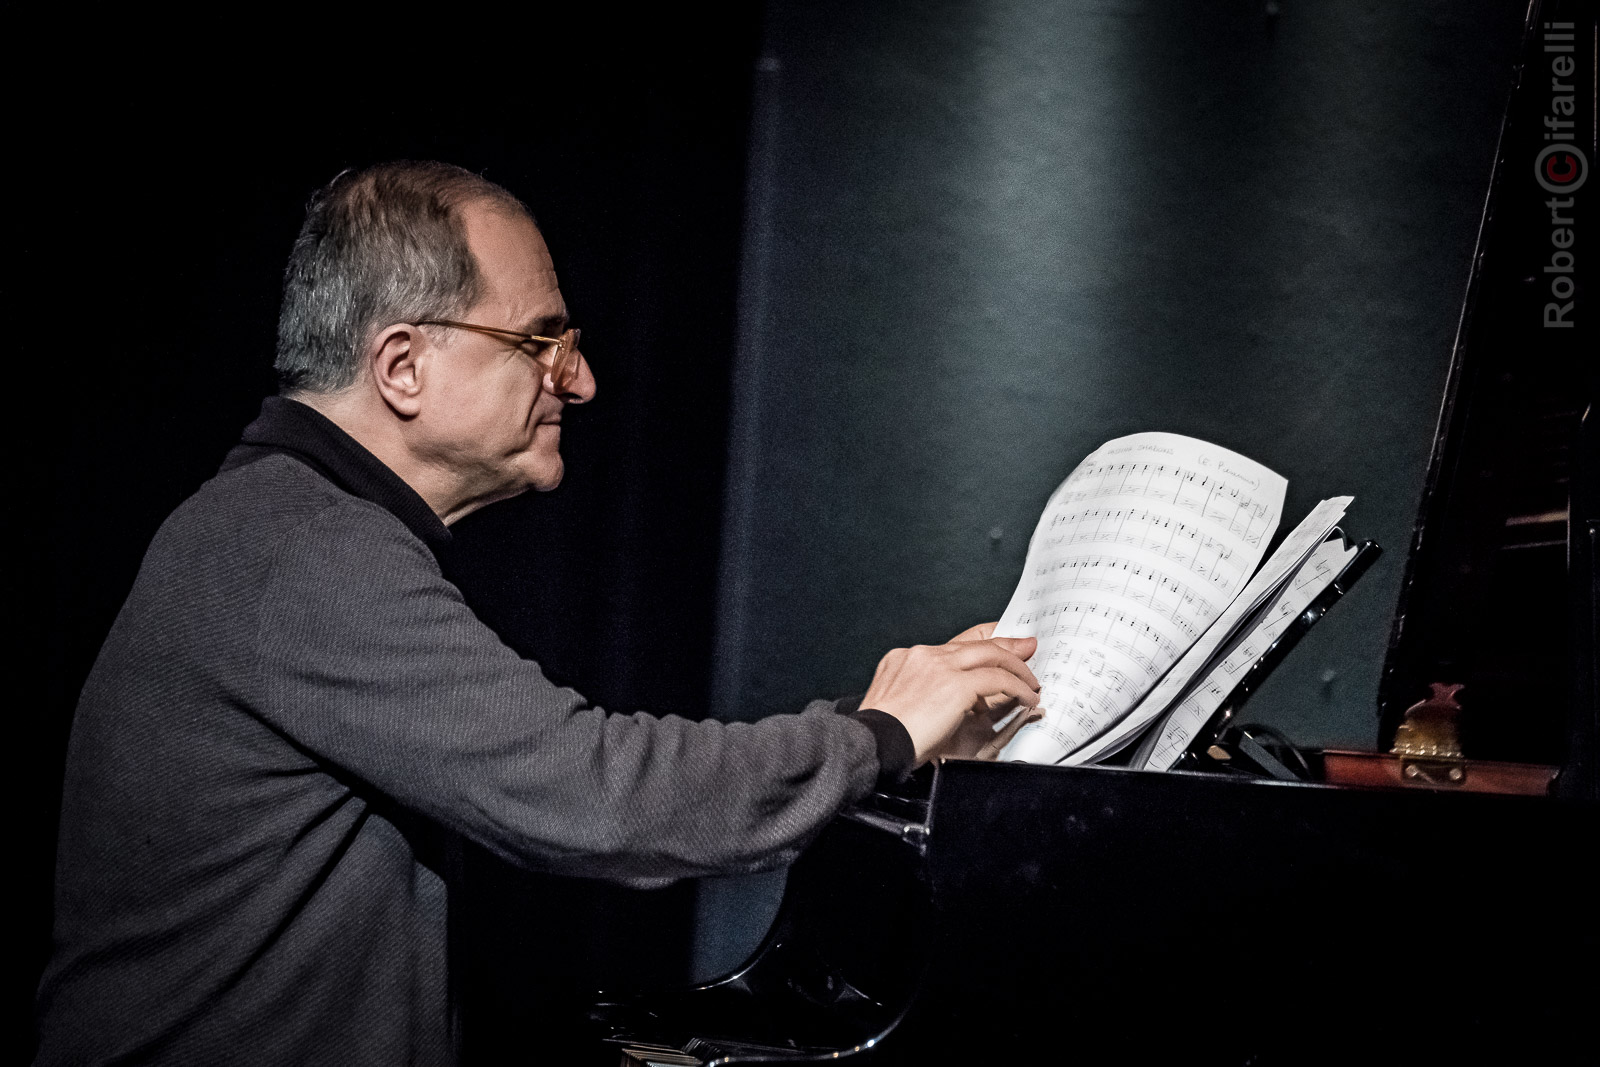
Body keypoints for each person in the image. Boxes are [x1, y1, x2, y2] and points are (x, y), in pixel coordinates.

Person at [35, 161, 1041, 1065]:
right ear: (401, 367)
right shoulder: (303, 550)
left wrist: (879, 731)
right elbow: (602, 794)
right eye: (540, 339)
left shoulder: (286, 528)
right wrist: (874, 736)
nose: (582, 378)